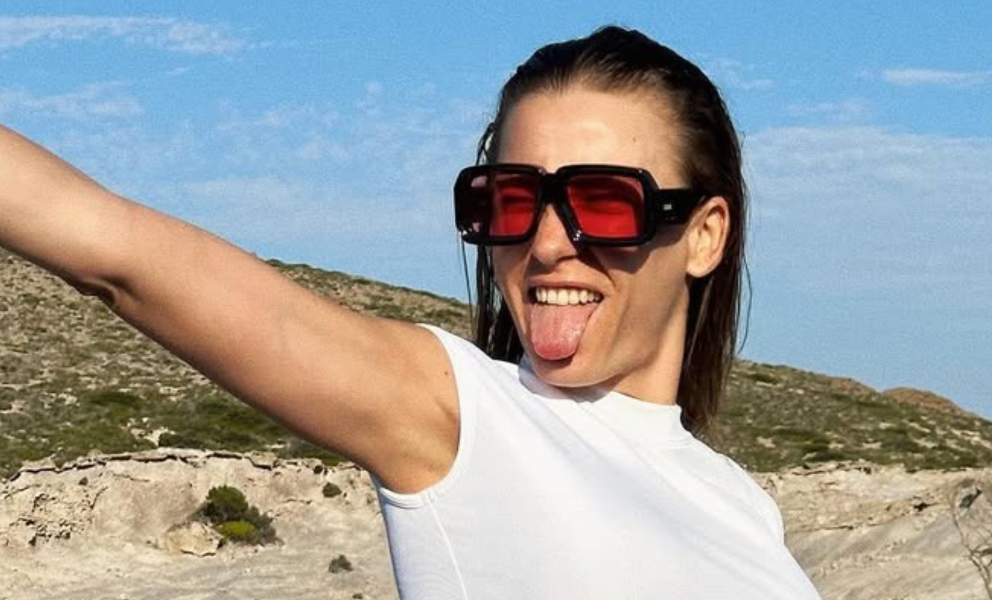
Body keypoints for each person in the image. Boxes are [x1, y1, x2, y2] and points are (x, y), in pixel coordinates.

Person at [0, 25, 823, 599]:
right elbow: (121, 254)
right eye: (509, 200)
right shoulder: (462, 418)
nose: (545, 244)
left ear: (705, 235)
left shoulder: (736, 502)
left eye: (603, 202)